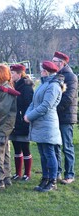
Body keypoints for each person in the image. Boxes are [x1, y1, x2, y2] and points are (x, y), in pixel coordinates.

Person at [25, 61, 65, 192]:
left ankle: (52, 181)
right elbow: (34, 102)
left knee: (49, 153)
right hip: (40, 123)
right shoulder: (44, 84)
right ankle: (45, 178)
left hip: (48, 125)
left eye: (42, 69)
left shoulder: (53, 86)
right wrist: (27, 114)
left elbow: (45, 106)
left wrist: (30, 116)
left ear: (46, 71)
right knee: (43, 154)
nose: (40, 71)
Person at [0, 64, 18, 191]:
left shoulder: (5, 89)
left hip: (1, 127)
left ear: (1, 75)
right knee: (4, 153)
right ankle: (6, 178)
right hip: (2, 126)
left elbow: (2, 111)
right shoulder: (2, 88)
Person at [52, 51, 78, 184]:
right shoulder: (56, 76)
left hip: (66, 116)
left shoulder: (71, 77)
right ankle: (57, 172)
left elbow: (68, 98)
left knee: (67, 146)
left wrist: (53, 108)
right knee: (56, 145)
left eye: (55, 61)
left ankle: (69, 174)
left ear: (62, 63)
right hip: (56, 116)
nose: (53, 63)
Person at [9, 64, 34, 181]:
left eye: (13, 73)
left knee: (25, 147)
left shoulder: (26, 87)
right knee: (16, 148)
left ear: (19, 74)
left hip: (23, 120)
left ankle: (27, 174)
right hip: (13, 121)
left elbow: (28, 104)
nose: (11, 75)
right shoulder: (13, 85)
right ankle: (18, 173)